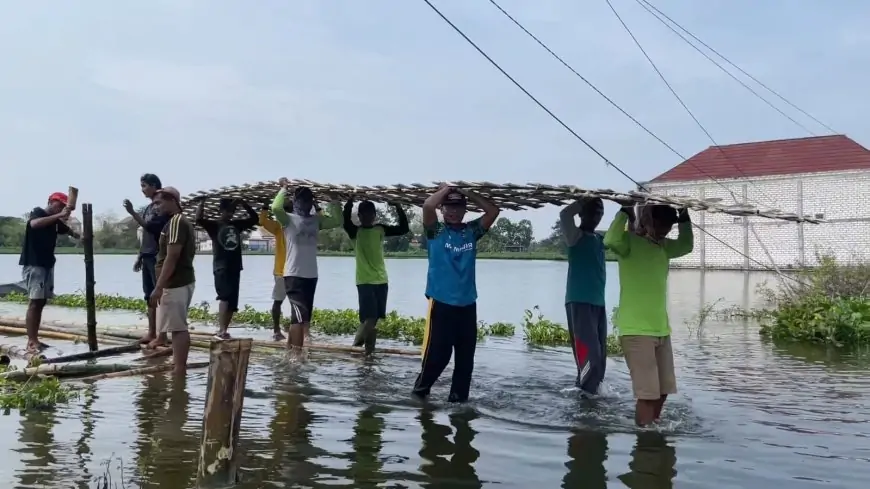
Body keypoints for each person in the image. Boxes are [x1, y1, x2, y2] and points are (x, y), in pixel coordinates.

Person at [604, 203, 693, 426]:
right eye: (661, 225)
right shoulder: (629, 244)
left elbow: (686, 245)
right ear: (647, 220)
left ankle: (651, 426)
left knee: (664, 389)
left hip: (661, 329)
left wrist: (684, 218)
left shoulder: (664, 247)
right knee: (647, 394)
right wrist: (624, 212)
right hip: (635, 330)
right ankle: (645, 437)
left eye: (668, 227)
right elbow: (610, 240)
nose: (665, 231)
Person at [412, 185, 499, 403]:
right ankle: (420, 393)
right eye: (449, 207)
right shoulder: (436, 232)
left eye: (458, 207)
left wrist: (468, 193)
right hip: (441, 303)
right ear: (443, 210)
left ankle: (458, 402)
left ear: (464, 210)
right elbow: (428, 205)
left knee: (465, 360)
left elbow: (493, 212)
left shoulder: (472, 231)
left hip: (468, 304)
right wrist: (448, 188)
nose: (453, 212)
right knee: (437, 357)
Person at [271, 179, 342, 349]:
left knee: (304, 318)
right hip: (293, 275)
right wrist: (283, 189)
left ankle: (291, 351)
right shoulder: (287, 219)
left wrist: (334, 201)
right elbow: (275, 208)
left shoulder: (316, 221)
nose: (304, 203)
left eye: (308, 200)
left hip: (311, 276)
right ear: (294, 201)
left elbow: (337, 221)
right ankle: (296, 355)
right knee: (299, 317)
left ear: (311, 202)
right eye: (301, 199)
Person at [342, 198, 410, 355]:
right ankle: (357, 347)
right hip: (365, 280)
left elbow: (403, 229)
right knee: (369, 317)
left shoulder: (380, 229)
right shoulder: (355, 232)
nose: (367, 217)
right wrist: (349, 202)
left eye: (370, 214)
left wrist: (398, 206)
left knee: (374, 319)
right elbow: (345, 221)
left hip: (381, 280)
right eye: (363, 215)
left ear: (374, 215)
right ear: (359, 216)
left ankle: (368, 352)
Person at [19, 192, 79, 352]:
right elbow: (35, 224)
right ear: (50, 202)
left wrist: (80, 236)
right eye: (59, 205)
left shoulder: (55, 222)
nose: (61, 209)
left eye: (63, 207)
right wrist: (60, 214)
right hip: (35, 264)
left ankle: (35, 339)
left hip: (47, 264)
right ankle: (31, 341)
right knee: (35, 301)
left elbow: (66, 230)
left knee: (41, 301)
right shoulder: (38, 212)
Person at [560, 197, 607, 394]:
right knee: (590, 356)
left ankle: (588, 391)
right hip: (579, 302)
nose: (596, 216)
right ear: (582, 214)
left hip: (598, 303)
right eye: (592, 211)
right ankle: (586, 399)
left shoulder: (599, 239)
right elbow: (564, 214)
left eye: (600, 212)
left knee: (601, 357)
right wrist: (582, 201)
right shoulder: (575, 236)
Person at [148, 186, 197, 376]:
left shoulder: (176, 222)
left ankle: (179, 369)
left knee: (177, 328)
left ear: (172, 201)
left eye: (159, 202)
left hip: (175, 282)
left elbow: (172, 256)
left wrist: (159, 287)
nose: (156, 207)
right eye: (154, 204)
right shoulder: (175, 222)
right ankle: (178, 367)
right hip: (177, 281)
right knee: (176, 326)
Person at [195, 197, 259, 340]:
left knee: (232, 301)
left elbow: (254, 219)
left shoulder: (236, 225)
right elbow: (199, 219)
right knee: (224, 297)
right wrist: (202, 203)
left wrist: (244, 203)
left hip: (235, 266)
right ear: (221, 211)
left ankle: (225, 329)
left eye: (232, 211)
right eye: (227, 211)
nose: (230, 214)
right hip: (221, 266)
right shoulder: (215, 225)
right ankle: (221, 329)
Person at [123, 173, 170, 344]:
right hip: (148, 255)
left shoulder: (161, 208)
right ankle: (151, 332)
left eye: (144, 186)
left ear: (154, 186)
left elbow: (150, 227)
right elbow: (145, 235)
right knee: (148, 295)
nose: (142, 189)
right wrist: (140, 256)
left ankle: (162, 335)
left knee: (161, 296)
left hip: (158, 256)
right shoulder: (149, 208)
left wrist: (132, 212)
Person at [258, 201, 293, 341]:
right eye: (287, 210)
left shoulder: (297, 225)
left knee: (295, 303)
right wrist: (265, 207)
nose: (289, 213)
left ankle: (294, 329)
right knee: (278, 301)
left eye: (291, 210)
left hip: (295, 270)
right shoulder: (278, 226)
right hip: (281, 271)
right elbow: (262, 221)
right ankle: (277, 330)